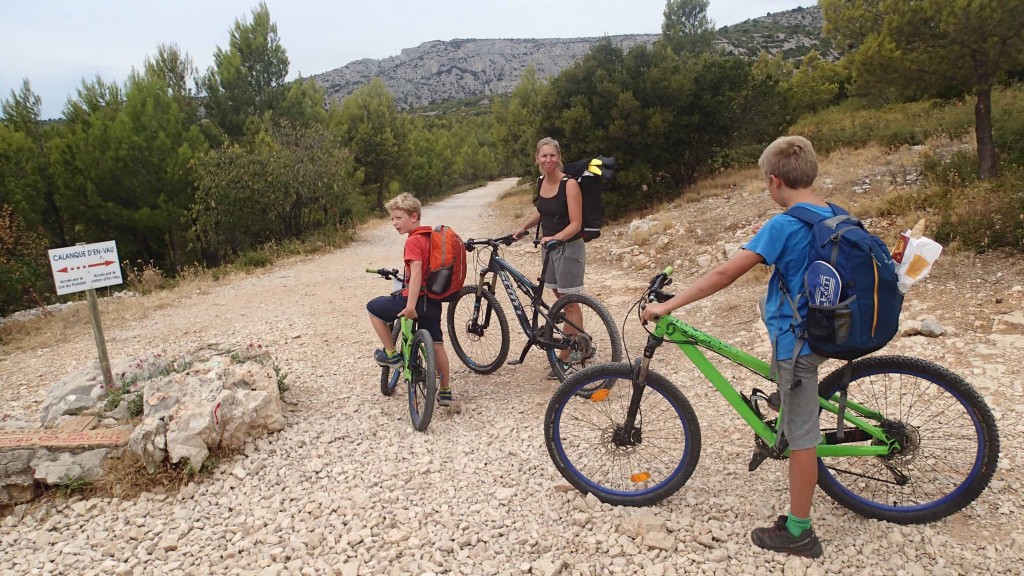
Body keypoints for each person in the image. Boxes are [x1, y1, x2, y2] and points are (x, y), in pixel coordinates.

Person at [641, 135, 828, 559]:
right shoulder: (832, 214)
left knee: (802, 440)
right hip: (825, 331)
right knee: (775, 331)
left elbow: (726, 273)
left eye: (766, 182)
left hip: (798, 345)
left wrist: (667, 306)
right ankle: (787, 396)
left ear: (774, 180)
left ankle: (800, 532)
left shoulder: (785, 224)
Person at [367, 192, 453, 406]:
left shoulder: (413, 241)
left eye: (398, 218)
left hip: (415, 301)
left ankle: (391, 355)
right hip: (432, 301)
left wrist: (411, 306)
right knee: (437, 345)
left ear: (413, 217)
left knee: (373, 308)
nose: (394, 223)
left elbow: (416, 273)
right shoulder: (430, 237)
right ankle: (445, 391)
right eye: (392, 219)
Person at [513, 137, 585, 380]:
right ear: (537, 159)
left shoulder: (570, 184)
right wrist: (524, 227)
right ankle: (580, 341)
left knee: (569, 300)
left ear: (559, 156)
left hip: (569, 248)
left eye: (552, 155)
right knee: (561, 297)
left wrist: (556, 237)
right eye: (543, 156)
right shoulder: (542, 182)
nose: (548, 160)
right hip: (550, 247)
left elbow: (577, 223)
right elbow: (543, 210)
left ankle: (570, 355)